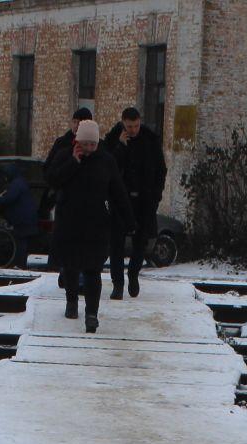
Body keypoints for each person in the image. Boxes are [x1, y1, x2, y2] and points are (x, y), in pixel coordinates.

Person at [48, 119, 133, 332]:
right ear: (78, 141)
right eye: (85, 144)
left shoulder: (106, 161)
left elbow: (118, 191)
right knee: (71, 267)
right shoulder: (65, 155)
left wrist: (129, 220)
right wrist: (73, 162)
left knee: (93, 270)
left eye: (92, 144)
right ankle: (71, 302)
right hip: (69, 223)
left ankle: (92, 314)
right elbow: (52, 180)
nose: (89, 148)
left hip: (96, 224)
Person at [107, 106, 167, 299]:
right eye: (129, 126)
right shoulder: (114, 139)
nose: (133, 130)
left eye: (136, 126)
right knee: (116, 243)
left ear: (140, 122)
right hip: (120, 199)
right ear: (123, 123)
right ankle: (117, 283)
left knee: (140, 242)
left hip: (144, 200)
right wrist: (120, 146)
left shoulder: (150, 140)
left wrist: (156, 196)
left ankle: (133, 274)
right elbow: (108, 167)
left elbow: (161, 170)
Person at [45, 107, 92, 309]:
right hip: (65, 203)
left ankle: (76, 279)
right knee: (66, 244)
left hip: (87, 206)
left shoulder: (95, 147)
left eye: (82, 123)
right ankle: (67, 274)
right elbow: (49, 172)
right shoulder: (62, 144)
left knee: (81, 247)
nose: (77, 127)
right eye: (75, 122)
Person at [0, 166, 41, 266]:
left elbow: (9, 198)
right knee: (21, 241)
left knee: (20, 241)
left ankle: (20, 264)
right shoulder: (20, 182)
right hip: (27, 217)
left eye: (6, 175)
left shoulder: (16, 184)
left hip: (23, 218)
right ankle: (20, 263)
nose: (5, 178)